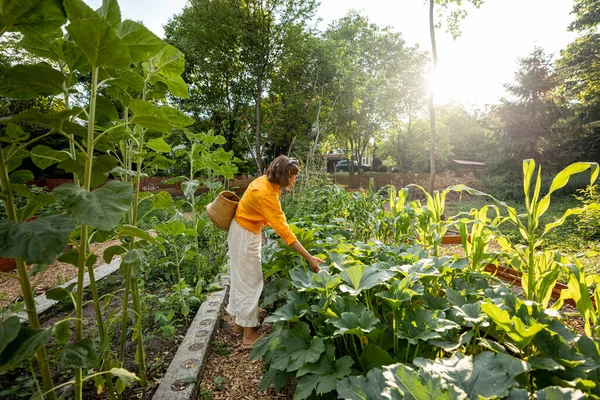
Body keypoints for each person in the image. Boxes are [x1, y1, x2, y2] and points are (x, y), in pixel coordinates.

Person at [226, 155, 325, 349]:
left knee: (241, 278)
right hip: (245, 236)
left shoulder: (264, 181)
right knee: (251, 283)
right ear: (283, 176)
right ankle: (248, 337)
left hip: (242, 230)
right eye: (292, 176)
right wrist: (309, 257)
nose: (294, 180)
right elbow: (285, 233)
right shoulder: (267, 195)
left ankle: (239, 324)